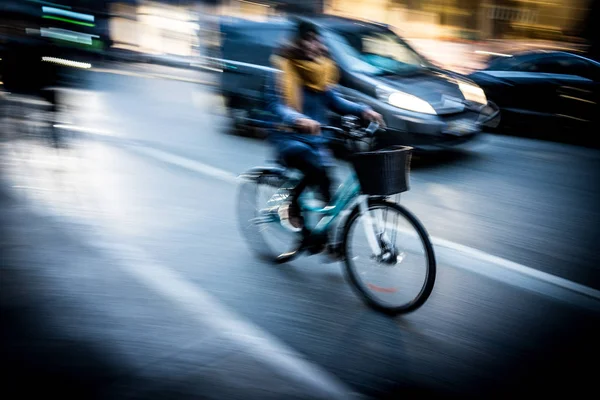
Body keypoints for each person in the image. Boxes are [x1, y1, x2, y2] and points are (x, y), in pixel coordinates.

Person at [265, 18, 384, 256]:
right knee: (313, 169)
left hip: (317, 139)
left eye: (315, 39)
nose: (313, 44)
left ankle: (323, 238)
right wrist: (297, 119)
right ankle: (288, 205)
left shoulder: (320, 71)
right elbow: (277, 106)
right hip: (290, 138)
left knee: (328, 190)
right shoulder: (284, 69)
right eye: (308, 39)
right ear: (298, 42)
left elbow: (334, 100)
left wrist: (363, 110)